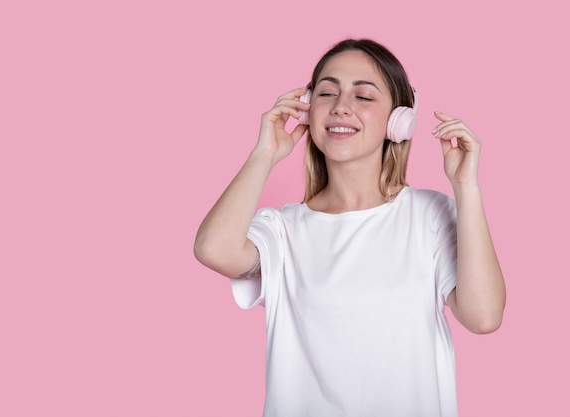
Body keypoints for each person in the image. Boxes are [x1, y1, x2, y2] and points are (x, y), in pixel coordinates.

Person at [194, 38, 506, 417]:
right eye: (327, 92)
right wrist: (265, 153)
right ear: (308, 110)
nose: (341, 107)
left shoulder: (430, 215)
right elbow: (213, 248)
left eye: (364, 96)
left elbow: (484, 317)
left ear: (400, 120)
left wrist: (466, 188)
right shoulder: (282, 230)